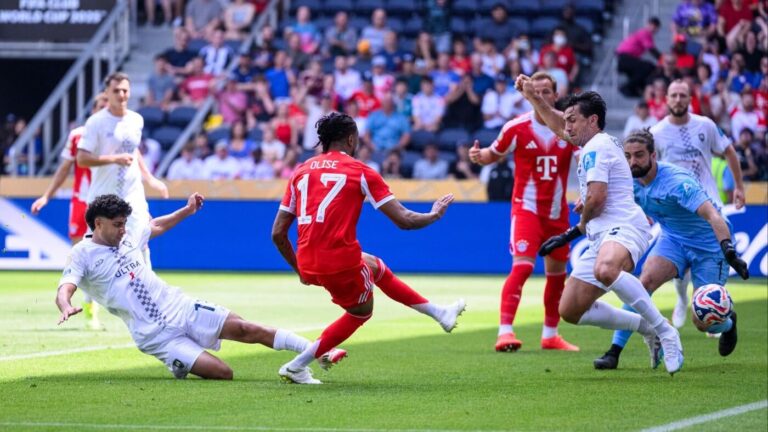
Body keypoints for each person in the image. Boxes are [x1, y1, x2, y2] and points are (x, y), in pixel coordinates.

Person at [56, 193, 338, 381]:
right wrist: (66, 305)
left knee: (246, 328)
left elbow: (155, 226)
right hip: (155, 336)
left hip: (180, 307)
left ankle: (315, 352)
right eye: (117, 225)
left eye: (124, 224)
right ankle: (177, 361)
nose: (123, 229)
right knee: (223, 373)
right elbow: (65, 286)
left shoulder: (127, 236)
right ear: (98, 223)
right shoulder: (82, 254)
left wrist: (188, 210)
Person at [271, 112, 465, 384]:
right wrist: (433, 215)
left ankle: (439, 313)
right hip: (339, 262)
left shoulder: (300, 172)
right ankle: (297, 366)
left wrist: (299, 269)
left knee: (373, 264)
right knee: (360, 312)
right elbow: (404, 221)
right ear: (351, 139)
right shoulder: (361, 172)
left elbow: (278, 233)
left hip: (307, 260)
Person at [515, 76, 684, 374]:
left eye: (573, 120)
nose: (566, 128)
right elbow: (556, 124)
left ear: (592, 121)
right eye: (566, 120)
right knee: (569, 310)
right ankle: (649, 328)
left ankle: (667, 332)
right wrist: (533, 97)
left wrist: (574, 230)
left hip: (625, 227)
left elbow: (597, 198)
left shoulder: (596, 147)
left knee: (606, 270)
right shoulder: (594, 144)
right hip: (602, 234)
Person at [593, 129, 749, 370]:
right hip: (673, 239)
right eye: (628, 156)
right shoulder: (628, 181)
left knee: (702, 320)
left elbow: (713, 215)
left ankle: (728, 323)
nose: (632, 162)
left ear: (653, 155)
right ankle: (614, 351)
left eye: (639, 155)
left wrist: (729, 252)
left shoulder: (677, 182)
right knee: (642, 282)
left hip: (709, 246)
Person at [469, 72, 579, 353]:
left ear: (555, 95)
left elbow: (588, 161)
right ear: (529, 94)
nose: (541, 95)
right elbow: (494, 153)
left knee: (557, 275)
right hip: (526, 209)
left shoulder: (569, 129)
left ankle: (550, 335)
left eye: (546, 90)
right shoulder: (516, 128)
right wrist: (480, 157)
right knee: (523, 266)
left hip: (557, 213)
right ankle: (505, 332)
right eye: (536, 90)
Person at [649, 80, 746, 328]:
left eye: (683, 95)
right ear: (666, 99)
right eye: (674, 95)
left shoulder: (705, 125)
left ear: (690, 98)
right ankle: (681, 300)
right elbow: (650, 172)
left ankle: (712, 309)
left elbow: (730, 152)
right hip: (675, 211)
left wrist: (739, 186)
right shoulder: (657, 133)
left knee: (706, 269)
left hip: (707, 205)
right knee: (676, 264)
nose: (678, 99)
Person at [31, 93, 109, 329]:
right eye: (100, 106)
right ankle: (86, 306)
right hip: (80, 202)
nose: (104, 111)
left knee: (99, 257)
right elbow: (64, 168)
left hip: (104, 204)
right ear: (93, 110)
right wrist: (46, 196)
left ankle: (92, 307)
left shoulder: (113, 136)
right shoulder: (78, 136)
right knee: (79, 256)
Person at [77, 72, 169, 265]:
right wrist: (114, 159)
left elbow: (133, 151)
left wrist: (150, 179)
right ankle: (93, 290)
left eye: (125, 90)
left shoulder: (136, 120)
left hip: (132, 192)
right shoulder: (96, 122)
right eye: (116, 90)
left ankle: (146, 289)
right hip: (104, 193)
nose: (121, 94)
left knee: (142, 237)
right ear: (107, 93)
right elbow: (82, 159)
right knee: (98, 245)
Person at [615, 17, 661, 98]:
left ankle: (637, 88)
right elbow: (651, 49)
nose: (653, 28)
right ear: (648, 24)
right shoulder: (644, 33)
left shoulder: (645, 34)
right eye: (652, 25)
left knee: (646, 67)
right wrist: (662, 58)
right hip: (625, 58)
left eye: (655, 26)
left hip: (628, 58)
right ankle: (627, 87)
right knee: (648, 67)